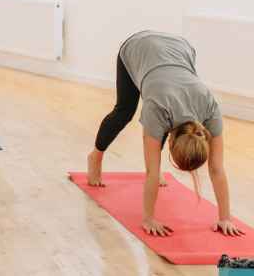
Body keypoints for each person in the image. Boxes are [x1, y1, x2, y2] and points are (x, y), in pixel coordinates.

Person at [86, 30, 243, 237]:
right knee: (124, 111)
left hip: (180, 49)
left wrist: (225, 218)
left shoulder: (210, 109)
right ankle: (95, 156)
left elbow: (216, 169)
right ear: (170, 141)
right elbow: (151, 173)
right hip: (138, 48)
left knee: (160, 121)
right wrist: (148, 219)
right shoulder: (156, 109)